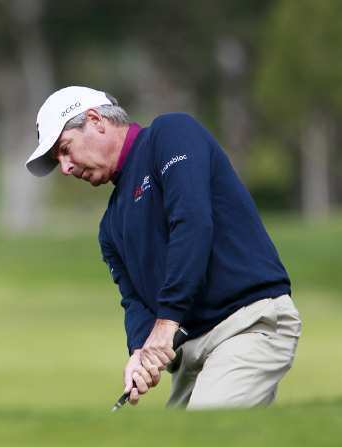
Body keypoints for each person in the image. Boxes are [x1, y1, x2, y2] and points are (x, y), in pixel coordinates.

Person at [25, 86, 301, 409]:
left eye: (65, 149)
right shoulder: (110, 228)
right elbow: (135, 302)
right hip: (192, 355)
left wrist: (167, 322)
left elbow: (193, 223)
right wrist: (140, 353)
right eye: (58, 159)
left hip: (248, 325)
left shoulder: (171, 135)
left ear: (97, 120)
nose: (66, 167)